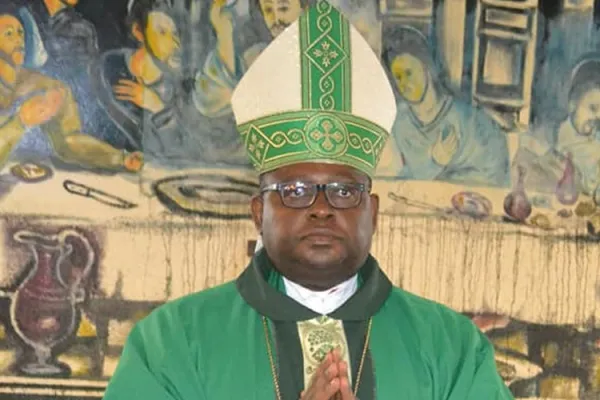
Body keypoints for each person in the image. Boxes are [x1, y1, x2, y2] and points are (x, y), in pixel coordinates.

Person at [103, 1, 514, 399]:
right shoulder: (172, 344)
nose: (322, 207)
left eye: (343, 190)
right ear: (259, 212)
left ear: (372, 212)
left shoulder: (452, 350)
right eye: (295, 191)